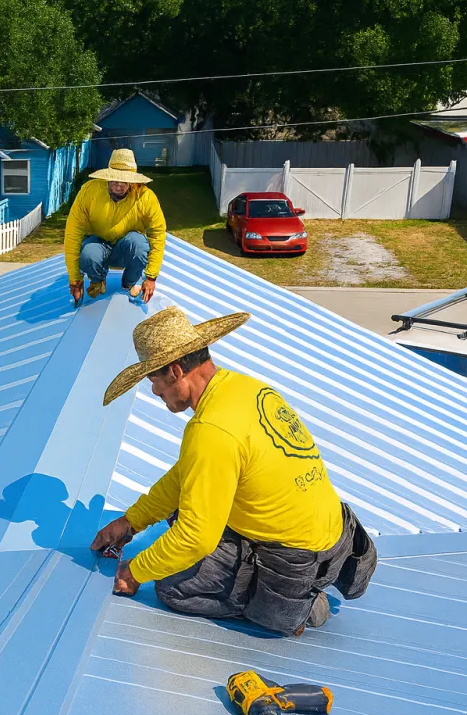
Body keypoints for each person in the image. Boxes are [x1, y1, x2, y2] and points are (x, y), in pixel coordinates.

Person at [91, 306, 377, 636]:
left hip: (296, 563)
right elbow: (187, 475)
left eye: (153, 380)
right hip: (337, 537)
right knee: (183, 511)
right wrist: (132, 521)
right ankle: (296, 585)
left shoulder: (210, 428)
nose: (154, 391)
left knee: (171, 586)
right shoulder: (244, 388)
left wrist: (135, 572)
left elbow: (195, 539)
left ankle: (295, 607)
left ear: (174, 372)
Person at [64, 149, 167, 306]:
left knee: (138, 243)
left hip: (127, 249)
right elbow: (73, 232)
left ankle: (129, 283)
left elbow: (158, 234)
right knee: (89, 253)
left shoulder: (146, 197)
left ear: (132, 182)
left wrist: (151, 277)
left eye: (124, 181)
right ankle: (98, 280)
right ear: (107, 177)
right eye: (114, 180)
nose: (119, 186)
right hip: (98, 245)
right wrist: (75, 279)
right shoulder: (89, 191)